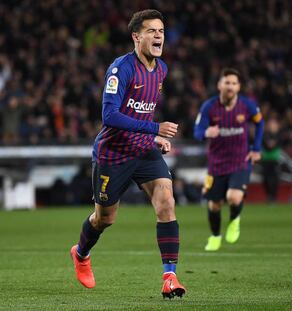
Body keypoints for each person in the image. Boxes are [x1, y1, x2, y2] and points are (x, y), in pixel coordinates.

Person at [69, 9, 186, 299]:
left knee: (166, 203)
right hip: (114, 155)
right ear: (136, 36)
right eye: (151, 31)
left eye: (161, 31)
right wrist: (154, 127)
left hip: (143, 150)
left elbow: (141, 110)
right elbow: (110, 116)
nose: (158, 36)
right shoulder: (121, 69)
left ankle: (170, 276)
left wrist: (153, 136)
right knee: (104, 219)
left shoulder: (161, 69)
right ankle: (81, 253)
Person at [194, 68, 264, 251]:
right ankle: (215, 236)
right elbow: (197, 131)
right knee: (214, 205)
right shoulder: (209, 107)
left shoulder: (247, 106)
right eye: (227, 82)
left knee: (233, 197)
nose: (230, 86)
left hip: (241, 160)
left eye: (234, 83)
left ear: (239, 86)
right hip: (216, 163)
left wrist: (256, 148)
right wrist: (206, 132)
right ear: (219, 85)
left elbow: (260, 123)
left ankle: (234, 219)